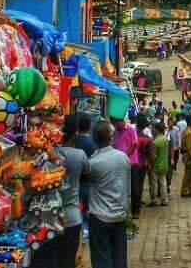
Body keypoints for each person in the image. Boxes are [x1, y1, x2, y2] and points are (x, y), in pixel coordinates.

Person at [88, 121, 131, 268]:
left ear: (94, 139)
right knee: (119, 258)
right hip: (119, 215)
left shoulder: (93, 163)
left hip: (100, 216)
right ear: (111, 138)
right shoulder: (123, 157)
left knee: (101, 258)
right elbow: (127, 184)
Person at [54, 115, 89, 268]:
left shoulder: (50, 153)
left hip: (50, 216)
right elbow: (87, 173)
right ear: (75, 133)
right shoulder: (79, 155)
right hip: (72, 216)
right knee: (68, 260)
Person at [132, 116, 153, 219]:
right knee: (139, 184)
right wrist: (149, 164)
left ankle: (134, 204)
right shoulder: (147, 138)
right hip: (142, 163)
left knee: (133, 184)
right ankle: (137, 204)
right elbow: (149, 153)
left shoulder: (131, 134)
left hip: (132, 163)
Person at [148, 122, 170, 207]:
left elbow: (153, 156)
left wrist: (150, 164)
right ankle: (164, 200)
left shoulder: (155, 142)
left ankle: (154, 200)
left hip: (156, 165)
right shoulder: (165, 140)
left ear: (156, 130)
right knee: (163, 181)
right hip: (164, 164)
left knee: (154, 183)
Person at [166, 118, 181, 193]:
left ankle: (173, 167)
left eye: (171, 123)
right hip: (168, 151)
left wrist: (179, 146)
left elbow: (178, 138)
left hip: (175, 148)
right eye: (169, 123)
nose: (170, 124)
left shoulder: (176, 130)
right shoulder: (166, 131)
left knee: (174, 160)